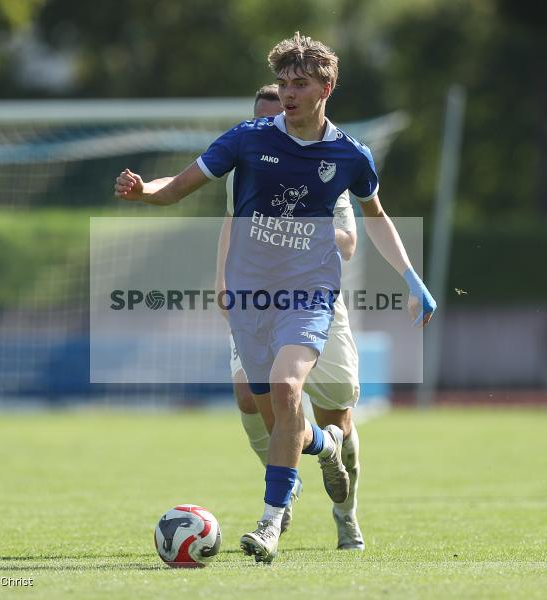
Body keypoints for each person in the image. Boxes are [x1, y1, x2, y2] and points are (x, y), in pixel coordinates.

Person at [115, 32, 435, 564]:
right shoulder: (247, 138)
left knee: (291, 391)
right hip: (250, 298)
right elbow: (179, 186)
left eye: (300, 83)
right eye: (283, 83)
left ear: (326, 87)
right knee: (276, 414)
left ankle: (270, 525)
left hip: (310, 295)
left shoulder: (350, 154)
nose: (289, 93)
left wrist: (411, 276)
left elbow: (374, 218)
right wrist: (146, 190)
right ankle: (322, 447)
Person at [215, 83, 365, 550]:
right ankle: (282, 497)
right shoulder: (246, 158)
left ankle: (346, 513)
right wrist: (222, 280)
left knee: (335, 413)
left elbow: (348, 240)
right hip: (257, 300)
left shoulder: (325, 163)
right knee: (250, 395)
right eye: (263, 118)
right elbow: (233, 224)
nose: (270, 125)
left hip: (313, 300)